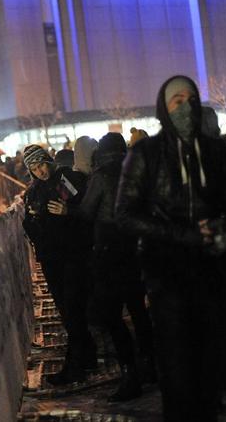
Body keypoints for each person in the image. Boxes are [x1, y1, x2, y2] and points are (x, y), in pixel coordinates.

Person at [116, 75, 226, 421]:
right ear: (163, 109)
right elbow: (124, 213)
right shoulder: (146, 154)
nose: (186, 107)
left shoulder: (216, 151)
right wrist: (181, 235)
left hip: (213, 272)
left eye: (191, 98)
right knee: (179, 370)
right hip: (168, 276)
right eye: (176, 100)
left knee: (211, 368)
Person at [74, 133, 154, 402]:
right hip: (136, 248)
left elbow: (86, 212)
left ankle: (129, 372)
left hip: (109, 250)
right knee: (138, 308)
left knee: (108, 314)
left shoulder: (101, 175)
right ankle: (150, 363)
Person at [21, 144, 96, 385]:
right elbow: (30, 228)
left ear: (49, 160)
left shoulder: (64, 179)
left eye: (42, 163)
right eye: (34, 167)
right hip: (51, 260)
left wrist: (68, 211)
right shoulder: (32, 192)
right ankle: (87, 357)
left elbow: (86, 209)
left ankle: (75, 366)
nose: (40, 170)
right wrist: (31, 219)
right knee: (67, 311)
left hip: (73, 256)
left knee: (74, 311)